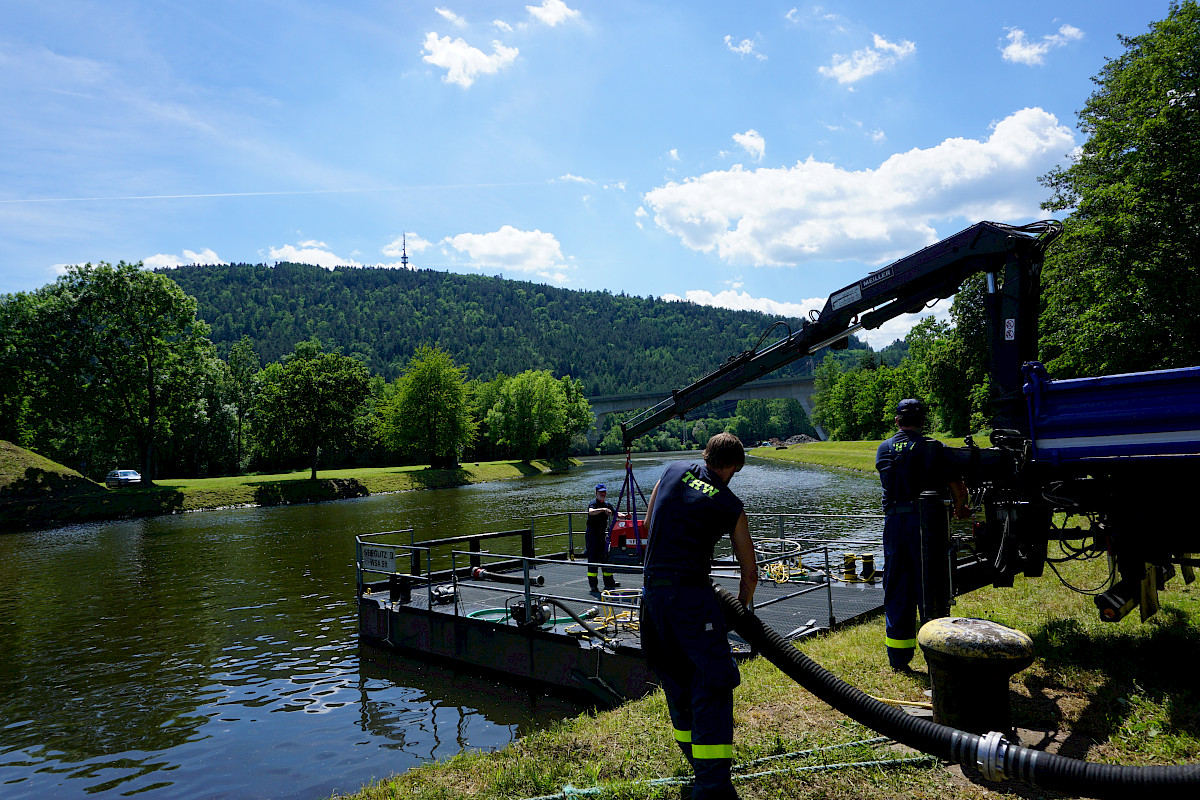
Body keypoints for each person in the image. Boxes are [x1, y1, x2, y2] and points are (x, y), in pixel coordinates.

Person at [640, 433, 757, 800]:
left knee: (676, 680)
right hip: (690, 597)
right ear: (734, 467)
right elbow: (749, 569)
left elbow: (646, 525)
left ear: (706, 456)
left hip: (651, 598)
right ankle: (712, 786)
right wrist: (743, 609)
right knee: (714, 682)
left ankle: (699, 767)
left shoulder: (671, 470)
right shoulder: (730, 504)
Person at [875, 398, 970, 671]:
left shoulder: (884, 449)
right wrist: (961, 509)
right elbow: (958, 489)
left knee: (896, 588)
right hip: (925, 523)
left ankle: (898, 659)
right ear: (922, 421)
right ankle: (936, 657)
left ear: (897, 421)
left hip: (893, 524)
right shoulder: (932, 448)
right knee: (930, 585)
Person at [585, 483, 621, 592]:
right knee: (593, 559)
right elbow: (590, 512)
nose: (602, 494)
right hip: (592, 535)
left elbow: (616, 514)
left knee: (605, 558)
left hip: (602, 535)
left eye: (604, 492)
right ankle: (593, 586)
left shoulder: (607, 504)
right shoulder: (593, 504)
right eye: (600, 492)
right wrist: (603, 510)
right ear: (596, 493)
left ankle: (609, 582)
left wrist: (625, 516)